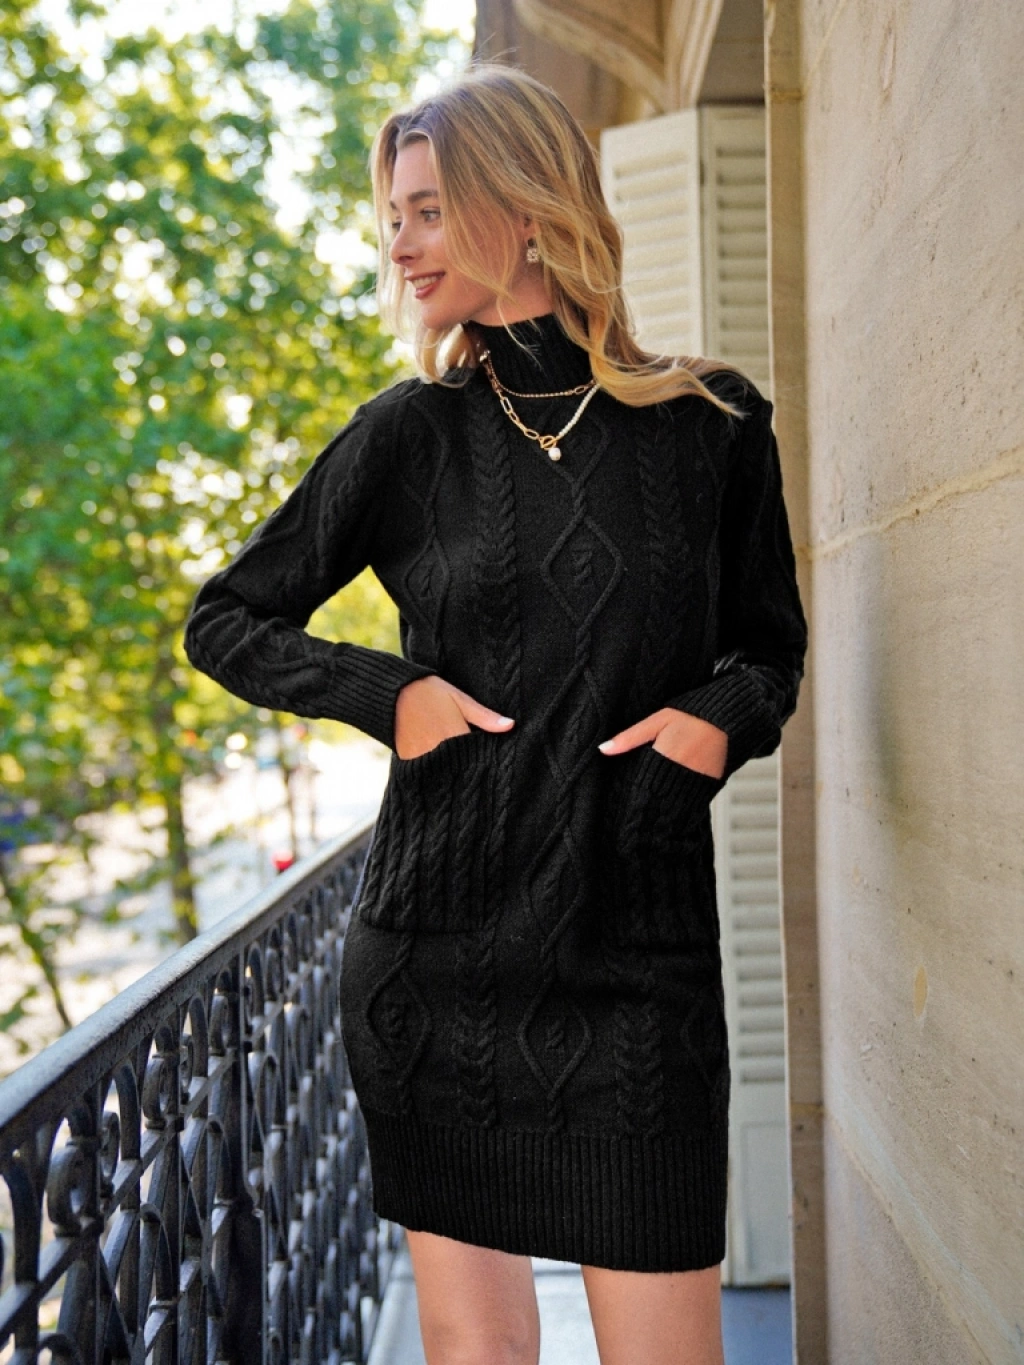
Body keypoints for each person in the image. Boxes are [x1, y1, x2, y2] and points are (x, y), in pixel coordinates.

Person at [184, 63, 808, 1365]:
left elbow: (771, 651)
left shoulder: (712, 424)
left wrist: (716, 719)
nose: (399, 244)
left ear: (523, 211)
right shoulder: (406, 437)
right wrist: (390, 693)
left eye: (427, 211)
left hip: (639, 959)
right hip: (438, 968)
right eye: (394, 216)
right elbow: (227, 620)